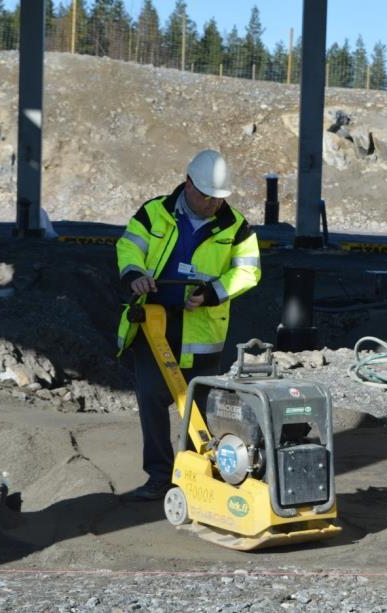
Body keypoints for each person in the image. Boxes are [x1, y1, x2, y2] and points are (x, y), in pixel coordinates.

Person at [115, 149, 261, 501]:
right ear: (188, 183)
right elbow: (129, 247)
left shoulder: (236, 226)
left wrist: (213, 293)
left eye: (218, 197)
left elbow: (249, 270)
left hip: (201, 327)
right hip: (153, 321)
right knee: (151, 397)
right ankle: (160, 476)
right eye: (205, 195)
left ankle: (203, 477)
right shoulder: (154, 213)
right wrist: (135, 274)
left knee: (201, 405)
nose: (212, 203)